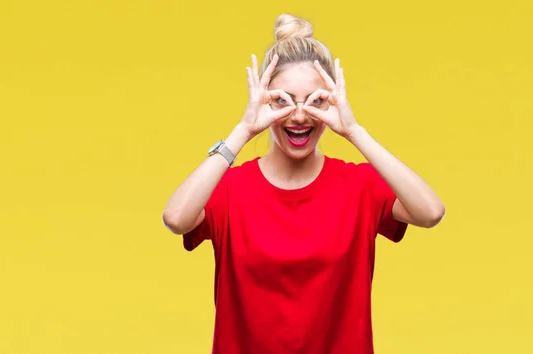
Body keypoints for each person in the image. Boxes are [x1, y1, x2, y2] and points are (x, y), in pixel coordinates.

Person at [162, 13, 445, 354]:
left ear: (332, 101)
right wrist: (243, 130)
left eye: (315, 101)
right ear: (264, 100)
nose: (299, 115)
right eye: (282, 100)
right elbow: (176, 219)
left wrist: (355, 132)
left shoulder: (359, 186)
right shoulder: (229, 188)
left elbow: (430, 212)